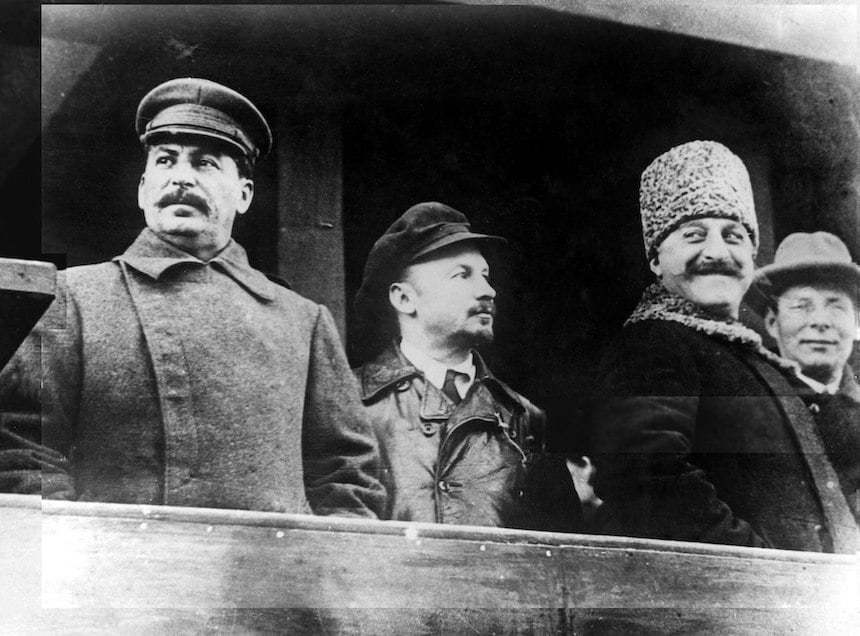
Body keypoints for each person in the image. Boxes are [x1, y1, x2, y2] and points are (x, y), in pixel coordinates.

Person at [0, 77, 385, 518]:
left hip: (271, 580)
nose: (181, 177)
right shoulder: (74, 298)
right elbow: (21, 453)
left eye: (205, 164)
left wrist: (313, 570)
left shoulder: (302, 321)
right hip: (118, 578)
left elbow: (348, 477)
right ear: (144, 188)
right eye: (166, 160)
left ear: (244, 195)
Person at [590, 140, 858, 553]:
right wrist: (770, 567)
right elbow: (645, 480)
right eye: (694, 234)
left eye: (732, 235)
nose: (716, 252)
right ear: (656, 259)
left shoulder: (756, 360)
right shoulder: (654, 341)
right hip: (737, 602)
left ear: (751, 256)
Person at [352, 201, 581, 530]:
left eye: (487, 277)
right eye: (462, 275)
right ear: (404, 299)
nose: (487, 291)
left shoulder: (525, 419)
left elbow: (558, 555)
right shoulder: (351, 402)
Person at [754, 231, 860, 521]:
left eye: (836, 306)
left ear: (856, 322)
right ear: (773, 322)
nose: (820, 322)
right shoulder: (754, 406)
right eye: (802, 305)